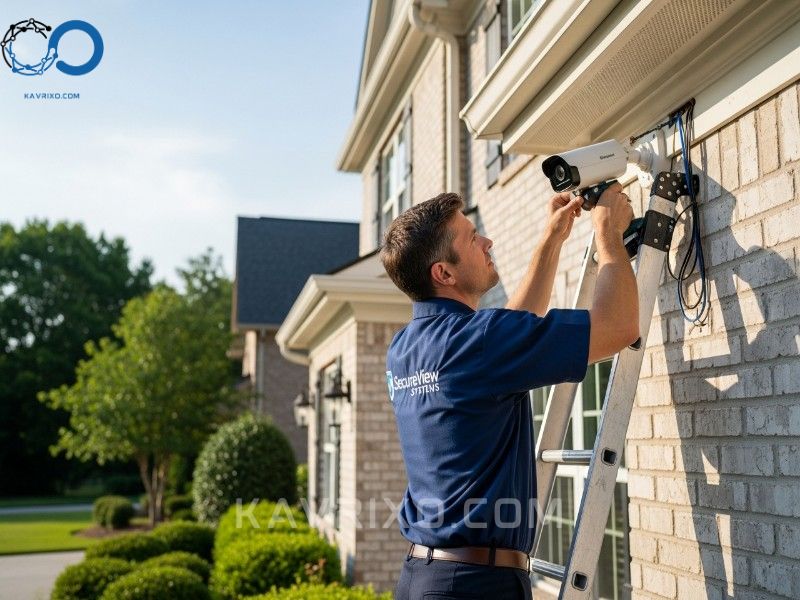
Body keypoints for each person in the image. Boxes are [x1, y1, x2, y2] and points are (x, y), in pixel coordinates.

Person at [380, 183, 638, 600]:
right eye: (470, 237)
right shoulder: (480, 341)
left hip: (421, 578)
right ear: (443, 273)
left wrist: (552, 238)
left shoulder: (404, 349)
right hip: (475, 585)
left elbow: (508, 336)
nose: (487, 240)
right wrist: (608, 233)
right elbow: (619, 326)